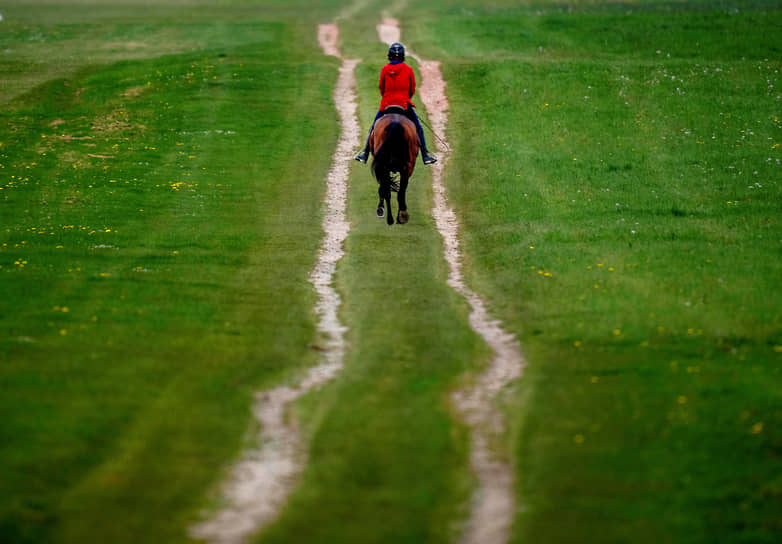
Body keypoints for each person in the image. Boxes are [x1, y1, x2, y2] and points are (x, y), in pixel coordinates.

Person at [355, 42, 437, 165]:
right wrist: (405, 98)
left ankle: (365, 153)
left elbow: (381, 87)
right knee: (418, 128)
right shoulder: (408, 69)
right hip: (403, 104)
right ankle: (425, 155)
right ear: (403, 56)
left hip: (386, 104)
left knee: (373, 127)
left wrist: (388, 98)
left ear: (390, 55)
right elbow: (412, 88)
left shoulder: (384, 69)